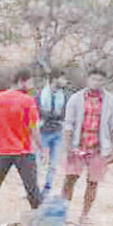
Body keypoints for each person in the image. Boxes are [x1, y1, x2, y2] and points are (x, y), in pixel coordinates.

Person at [0, 68, 42, 224]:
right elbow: (33, 127)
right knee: (32, 189)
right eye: (30, 82)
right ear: (22, 81)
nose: (31, 86)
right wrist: (42, 147)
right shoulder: (28, 101)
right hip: (23, 151)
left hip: (2, 150)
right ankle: (41, 221)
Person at [61, 67, 113, 226]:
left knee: (93, 182)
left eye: (100, 80)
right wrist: (67, 148)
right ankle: (62, 214)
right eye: (94, 79)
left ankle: (84, 216)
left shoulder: (111, 100)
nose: (96, 83)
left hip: (99, 148)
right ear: (87, 80)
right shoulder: (75, 98)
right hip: (77, 146)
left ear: (104, 82)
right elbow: (68, 124)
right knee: (69, 179)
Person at [36, 68, 71, 196]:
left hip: (57, 131)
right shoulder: (41, 94)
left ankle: (47, 188)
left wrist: (51, 116)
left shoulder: (64, 96)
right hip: (43, 131)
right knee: (37, 162)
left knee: (53, 163)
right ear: (55, 79)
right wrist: (53, 116)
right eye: (62, 79)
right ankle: (34, 188)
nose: (65, 82)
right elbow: (39, 112)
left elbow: (64, 114)